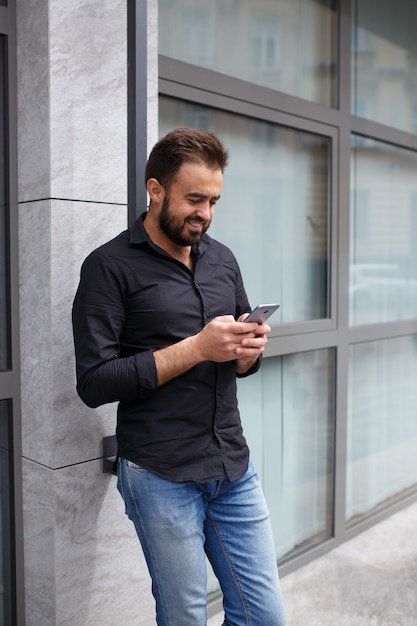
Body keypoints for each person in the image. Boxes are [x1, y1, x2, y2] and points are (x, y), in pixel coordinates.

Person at [72, 128, 286, 626]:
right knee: (185, 618)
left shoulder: (223, 259)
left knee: (265, 617)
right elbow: (94, 382)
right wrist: (195, 349)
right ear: (155, 189)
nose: (205, 213)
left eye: (213, 200)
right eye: (194, 199)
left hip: (232, 466)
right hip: (161, 474)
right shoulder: (108, 267)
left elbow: (239, 357)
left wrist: (246, 353)